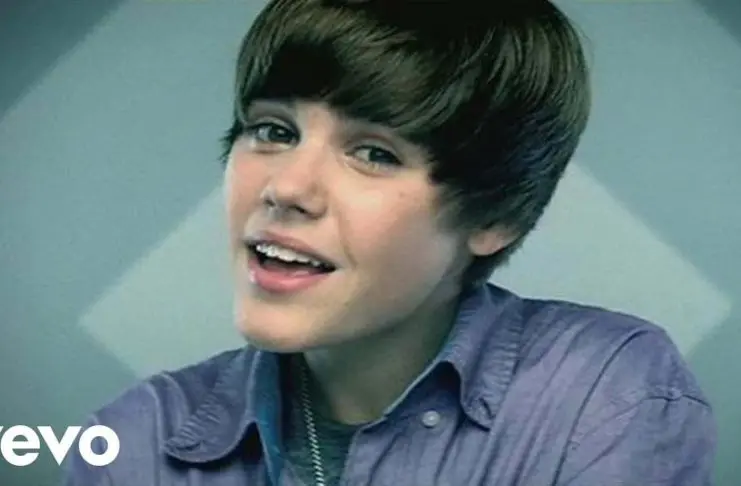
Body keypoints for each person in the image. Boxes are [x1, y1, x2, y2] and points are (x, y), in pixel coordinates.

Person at [62, 0, 717, 484]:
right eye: (274, 130)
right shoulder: (133, 445)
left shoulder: (603, 396)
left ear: (494, 216)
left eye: (374, 153)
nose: (287, 187)